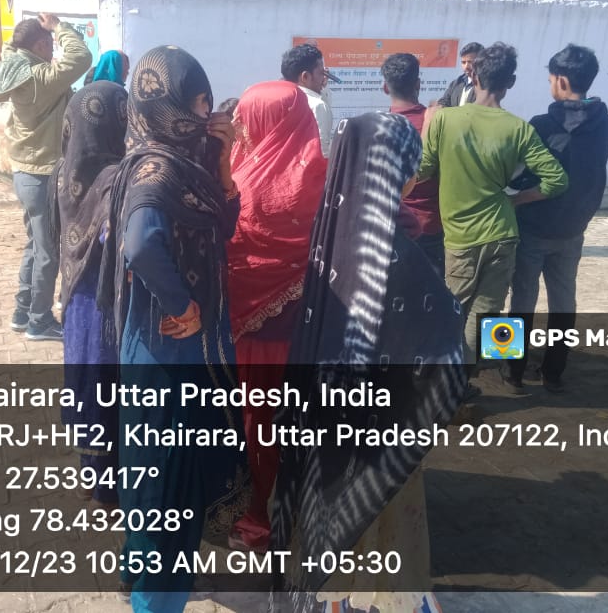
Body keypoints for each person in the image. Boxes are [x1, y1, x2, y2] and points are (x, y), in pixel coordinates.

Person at [269, 112, 468, 613]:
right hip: (383, 427)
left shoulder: (330, 233)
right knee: (381, 517)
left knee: (329, 518)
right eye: (409, 167)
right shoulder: (399, 256)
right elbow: (441, 341)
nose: (413, 177)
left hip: (325, 419)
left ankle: (332, 600)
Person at [98, 45, 250, 613]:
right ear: (169, 108)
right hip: (167, 350)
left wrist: (225, 165)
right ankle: (154, 601)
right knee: (167, 484)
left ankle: (136, 570)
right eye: (200, 103)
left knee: (154, 476)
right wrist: (182, 304)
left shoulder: (177, 160)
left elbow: (221, 227)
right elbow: (141, 244)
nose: (208, 113)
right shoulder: (157, 170)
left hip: (165, 348)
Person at [417, 43, 568, 391]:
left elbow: (422, 170)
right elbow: (557, 180)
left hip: (460, 237)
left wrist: (427, 126)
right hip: (503, 233)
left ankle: (447, 385)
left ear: (473, 76)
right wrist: (517, 200)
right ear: (510, 82)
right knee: (489, 313)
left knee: (453, 312)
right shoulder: (519, 128)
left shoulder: (445, 120)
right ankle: (488, 375)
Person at [225, 80, 326, 552]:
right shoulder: (321, 175)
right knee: (299, 422)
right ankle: (296, 510)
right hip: (311, 328)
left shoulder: (237, 177)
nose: (241, 128)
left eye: (247, 119)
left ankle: (257, 517)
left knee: (256, 423)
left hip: (252, 333)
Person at [505, 44, 608, 394]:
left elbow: (522, 175)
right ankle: (554, 371)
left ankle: (511, 370)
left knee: (521, 300)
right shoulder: (606, 123)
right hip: (574, 227)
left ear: (562, 81)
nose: (550, 84)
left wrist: (515, 198)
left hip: (534, 225)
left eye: (551, 79)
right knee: (564, 301)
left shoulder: (542, 124)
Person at [0, 14, 91, 341]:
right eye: (50, 46)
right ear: (42, 45)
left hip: (23, 172)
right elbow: (81, 57)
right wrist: (59, 27)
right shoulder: (42, 78)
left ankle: (22, 311)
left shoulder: (13, 69)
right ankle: (40, 320)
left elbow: (10, 48)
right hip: (44, 175)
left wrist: (28, 32)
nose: (53, 52)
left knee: (35, 245)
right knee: (48, 253)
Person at [56, 81, 128, 504]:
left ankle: (90, 473)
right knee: (107, 384)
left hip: (75, 298)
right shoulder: (116, 178)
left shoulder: (62, 172)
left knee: (84, 380)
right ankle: (108, 484)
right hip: (106, 302)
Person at [382, 53, 444, 274]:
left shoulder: (379, 127)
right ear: (418, 84)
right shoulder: (436, 121)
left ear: (385, 88)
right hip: (431, 225)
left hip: (392, 224)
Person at [282, 44, 335, 157]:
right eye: (321, 73)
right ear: (305, 77)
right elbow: (321, 152)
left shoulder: (279, 100)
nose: (324, 78)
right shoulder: (317, 106)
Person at [435, 41, 483, 108]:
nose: (466, 66)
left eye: (470, 62)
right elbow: (443, 102)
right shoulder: (456, 83)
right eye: (463, 62)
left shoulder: (487, 85)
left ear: (481, 62)